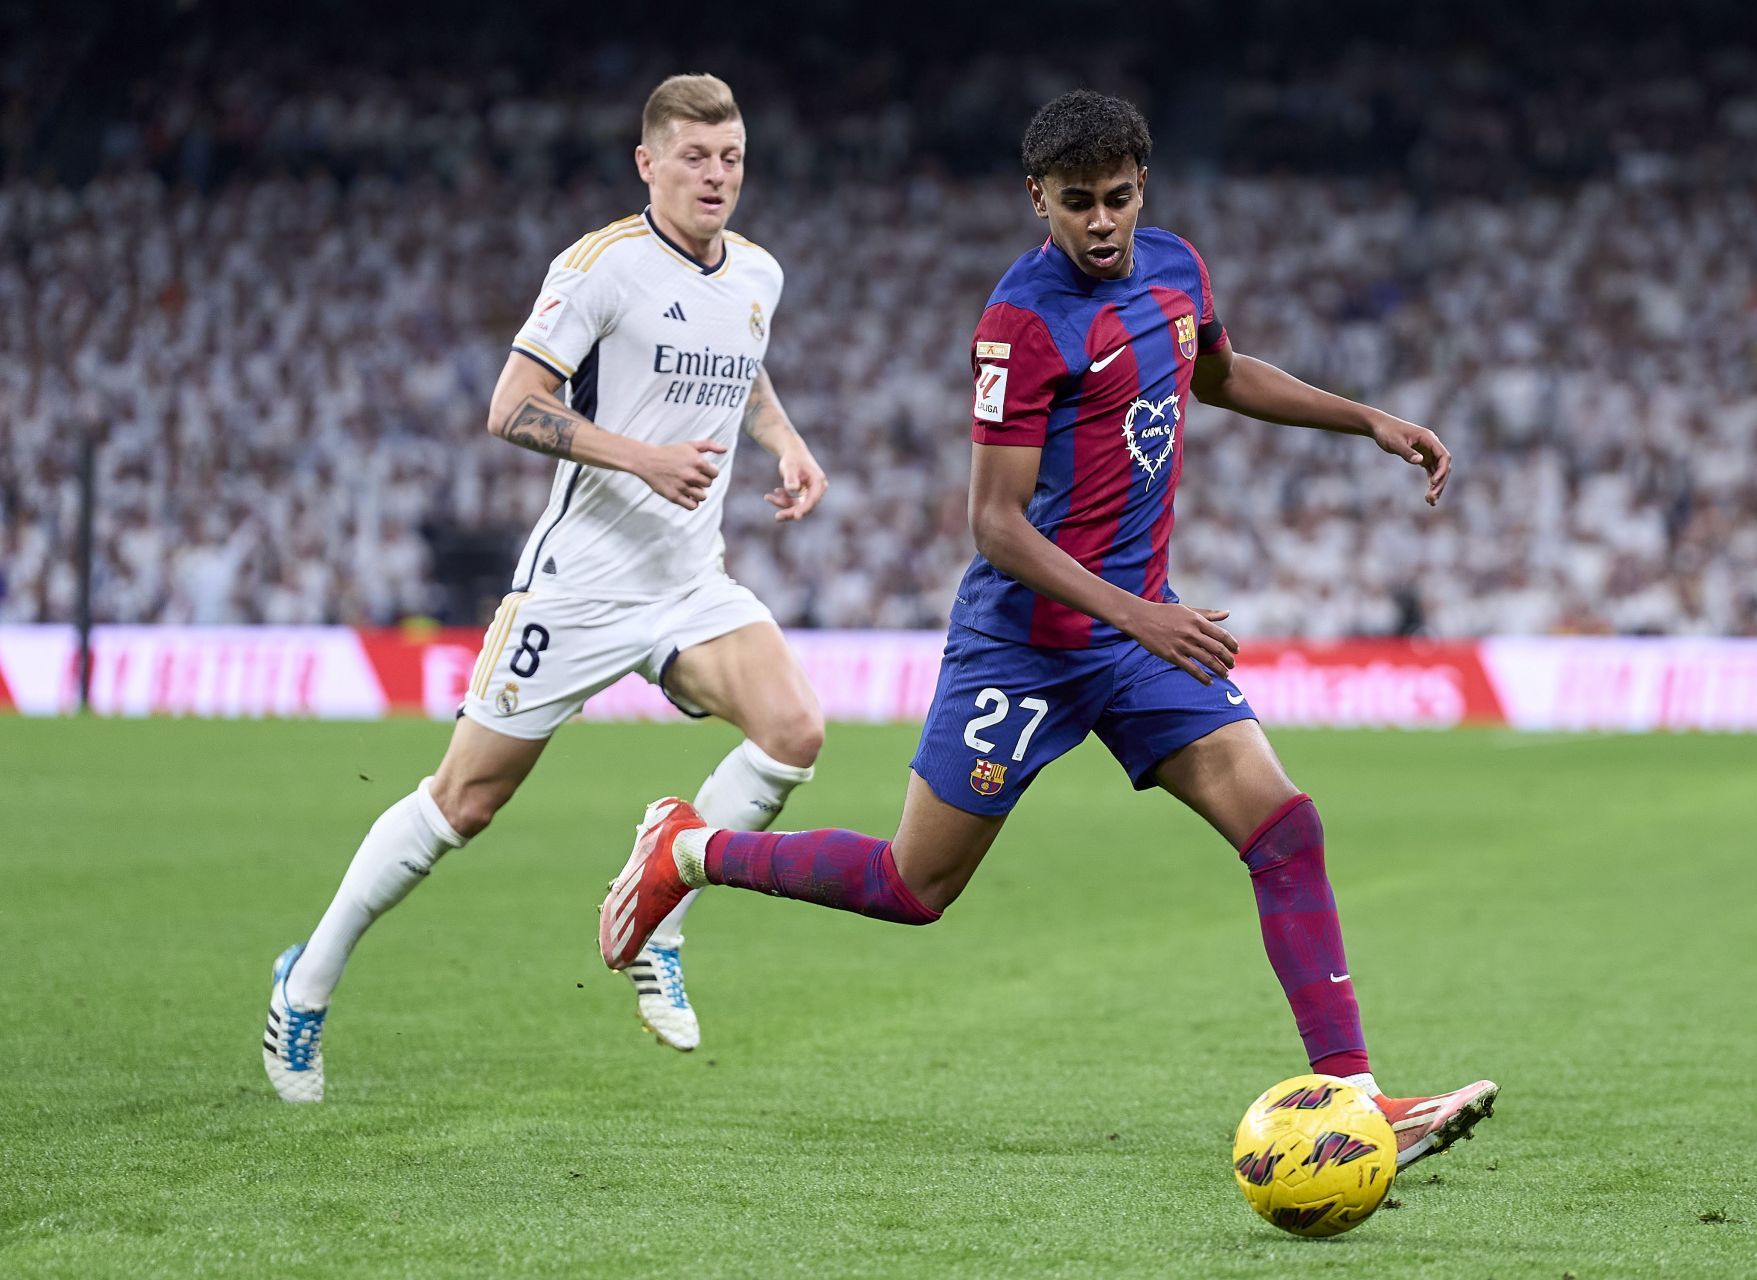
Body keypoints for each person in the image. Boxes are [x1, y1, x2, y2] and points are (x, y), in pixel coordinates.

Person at [597, 89, 1495, 1168]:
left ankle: (1358, 1094)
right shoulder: (1020, 322)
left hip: (1134, 638)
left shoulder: (1175, 267)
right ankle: (689, 849)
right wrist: (1139, 613)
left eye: (1118, 198)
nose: (1102, 222)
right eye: (1078, 204)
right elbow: (995, 522)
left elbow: (1218, 374)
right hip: (1026, 643)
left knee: (1284, 827)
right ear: (1039, 199)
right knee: (912, 885)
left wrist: (1369, 419)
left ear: (1142, 188)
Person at [263, 73, 829, 1101]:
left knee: (794, 729)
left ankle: (660, 906)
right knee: (462, 803)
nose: (716, 175)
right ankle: (306, 981)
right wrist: (640, 457)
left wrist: (784, 439)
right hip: (580, 584)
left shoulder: (757, 273)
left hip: (688, 581)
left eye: (732, 156)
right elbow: (511, 405)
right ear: (646, 162)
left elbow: (742, 363)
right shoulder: (600, 267)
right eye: (694, 157)